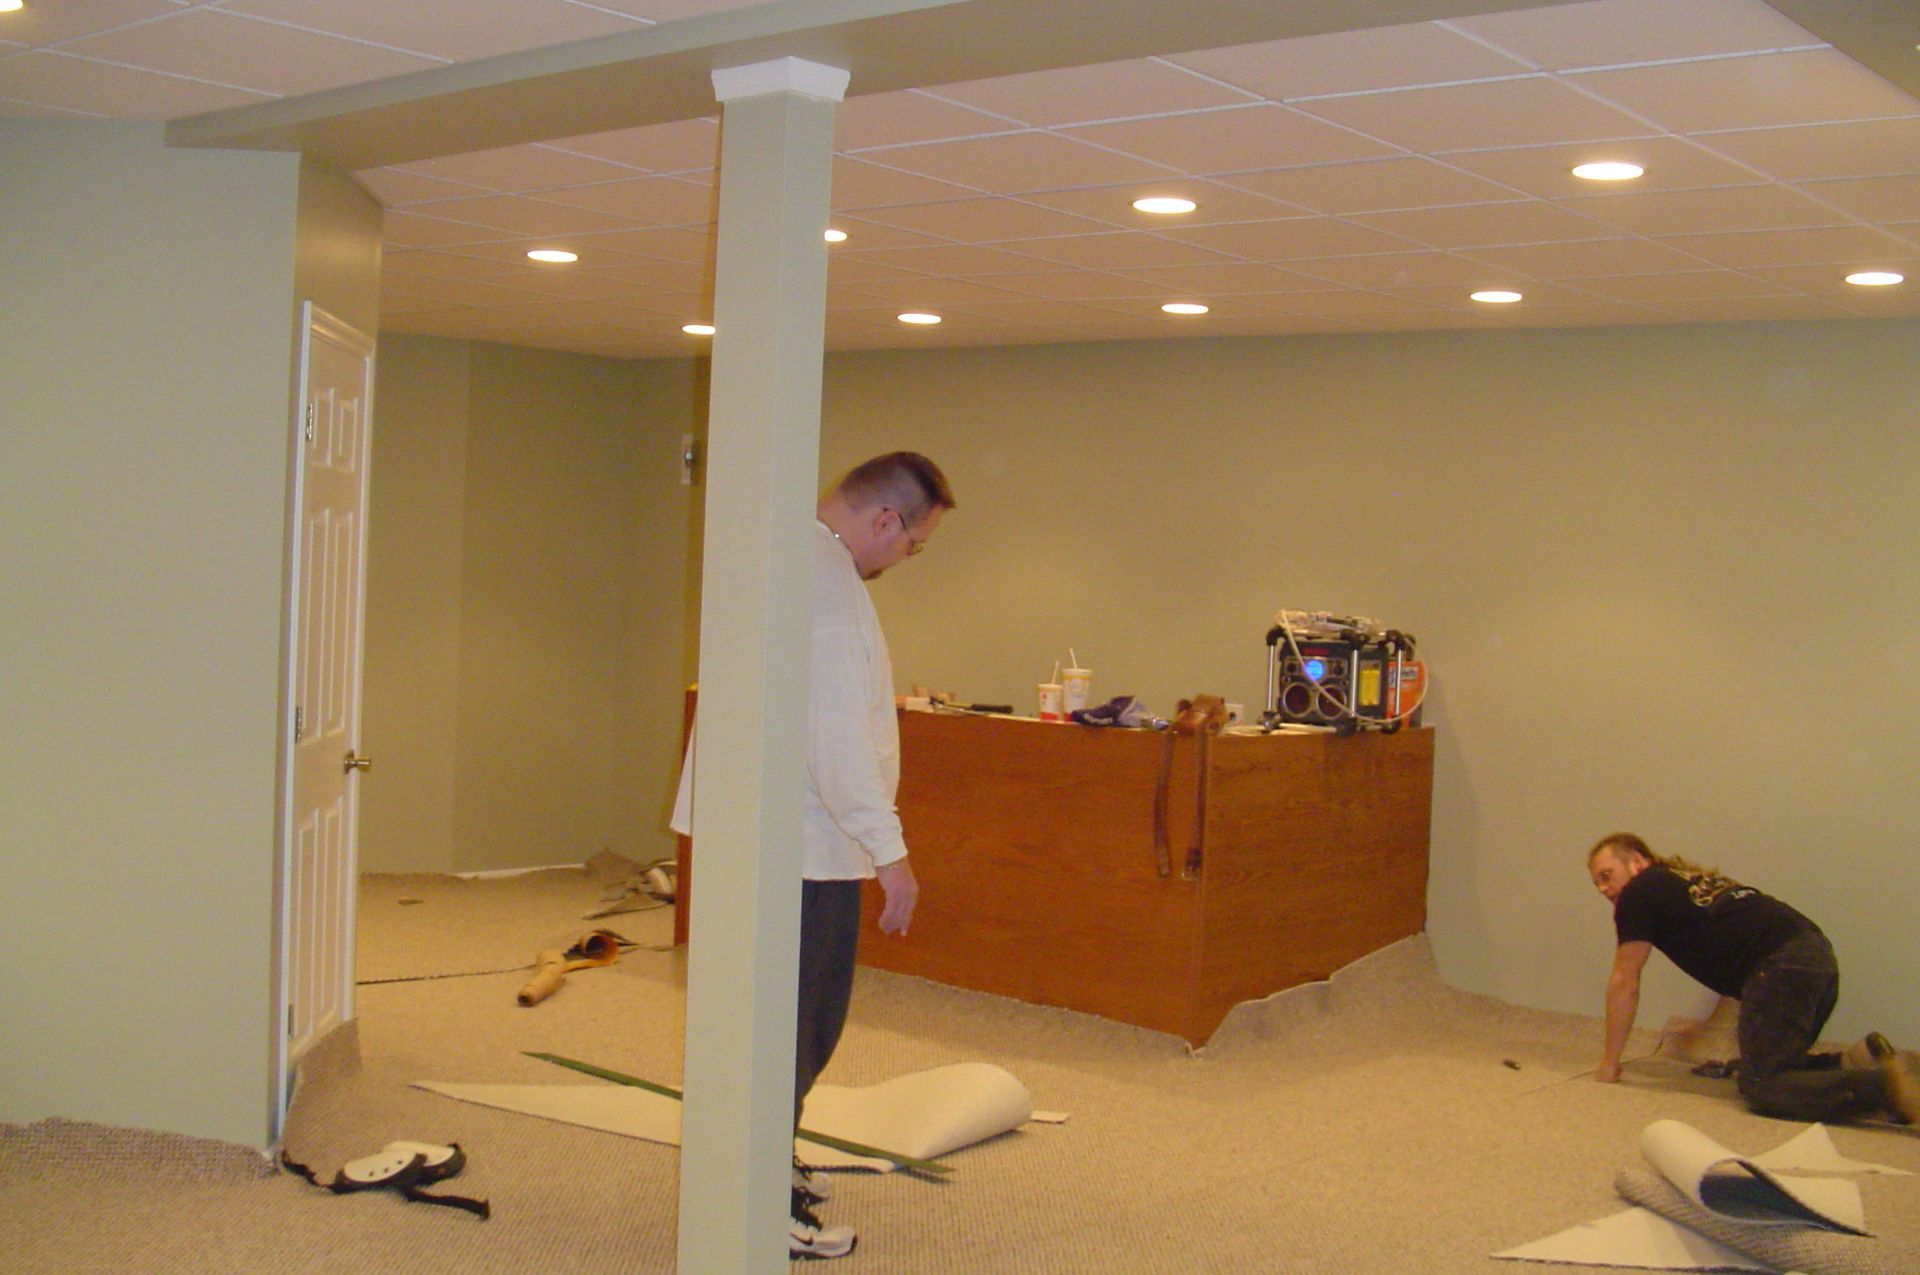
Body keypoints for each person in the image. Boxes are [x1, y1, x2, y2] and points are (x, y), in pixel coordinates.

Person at [673, 452, 955, 1260]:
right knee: (796, 1028)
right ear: (885, 519)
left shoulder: (786, 558)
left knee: (771, 1024)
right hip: (798, 851)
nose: (905, 558)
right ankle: (761, 1201)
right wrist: (891, 854)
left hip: (762, 840)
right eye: (914, 544)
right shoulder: (828, 590)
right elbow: (835, 740)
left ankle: (761, 1164)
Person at [1586, 832, 1917, 1125]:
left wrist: (1610, 1063)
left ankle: (1886, 1088)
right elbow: (1735, 970)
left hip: (1781, 966)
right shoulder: (1682, 882)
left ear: (1638, 861)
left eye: (1607, 875)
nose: (1603, 888)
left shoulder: (1638, 892)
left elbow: (1625, 980)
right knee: (1778, 1065)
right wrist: (1702, 1030)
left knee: (1763, 1085)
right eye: (1596, 882)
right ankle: (1857, 1061)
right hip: (1815, 957)